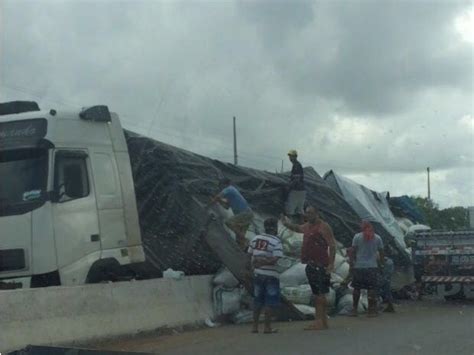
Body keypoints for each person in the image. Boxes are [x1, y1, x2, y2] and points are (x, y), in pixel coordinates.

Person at [281, 206, 336, 330]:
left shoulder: (323, 226)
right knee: (319, 293)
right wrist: (286, 223)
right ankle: (323, 321)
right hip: (310, 264)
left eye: (311, 213)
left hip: (320, 264)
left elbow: (332, 245)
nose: (308, 215)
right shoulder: (307, 226)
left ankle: (319, 321)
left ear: (317, 213)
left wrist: (331, 264)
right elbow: (297, 228)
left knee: (319, 294)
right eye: (306, 213)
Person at [247, 217, 283, 334]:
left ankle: (255, 327)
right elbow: (275, 259)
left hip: (258, 275)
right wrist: (264, 261)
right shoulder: (276, 241)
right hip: (271, 276)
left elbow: (249, 255)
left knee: (257, 300)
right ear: (275, 228)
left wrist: (254, 265)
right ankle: (267, 328)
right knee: (270, 302)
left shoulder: (255, 239)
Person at [351, 221, 384, 317]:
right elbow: (381, 252)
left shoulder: (357, 237)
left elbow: (353, 251)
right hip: (372, 267)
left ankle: (354, 310)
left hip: (359, 266)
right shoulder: (377, 238)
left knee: (356, 288)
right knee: (371, 289)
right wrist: (382, 264)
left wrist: (352, 263)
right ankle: (370, 310)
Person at [211, 178, 254, 249]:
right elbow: (227, 206)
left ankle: (245, 240)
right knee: (238, 240)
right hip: (248, 214)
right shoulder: (230, 193)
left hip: (245, 213)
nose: (220, 187)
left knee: (228, 223)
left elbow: (217, 197)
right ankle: (242, 253)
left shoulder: (229, 188)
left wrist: (209, 204)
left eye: (220, 185)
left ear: (224, 184)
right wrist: (219, 200)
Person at [286, 150, 306, 224]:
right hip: (302, 190)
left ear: (295, 157)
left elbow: (297, 179)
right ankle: (303, 227)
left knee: (290, 210)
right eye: (290, 156)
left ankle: (288, 226)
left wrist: (289, 186)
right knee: (300, 210)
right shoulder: (297, 165)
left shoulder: (296, 165)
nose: (290, 158)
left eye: (291, 156)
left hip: (296, 190)